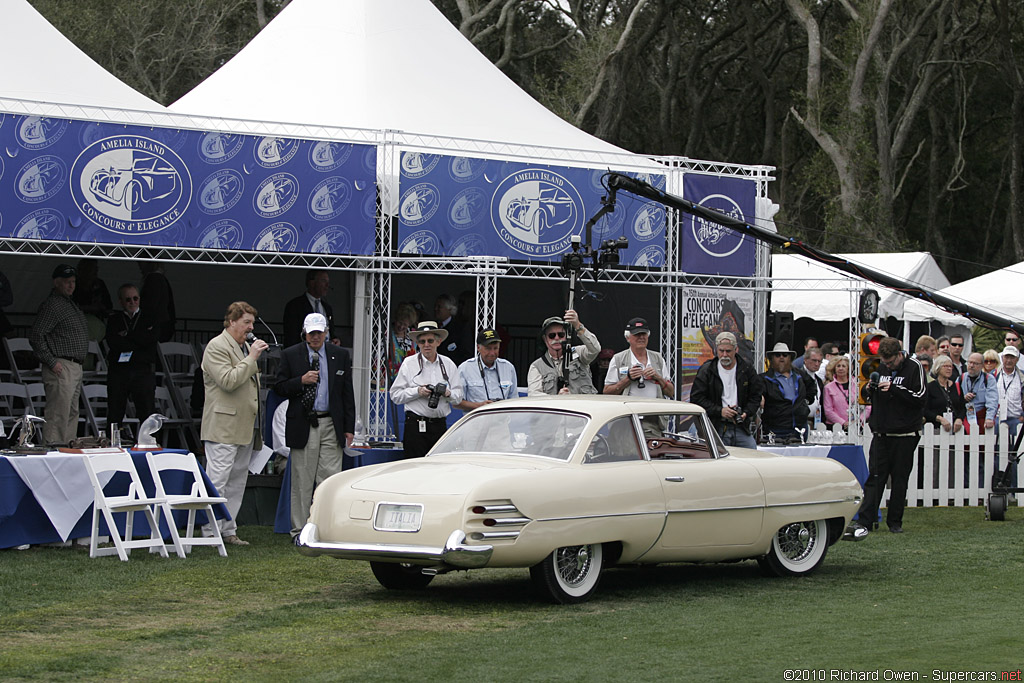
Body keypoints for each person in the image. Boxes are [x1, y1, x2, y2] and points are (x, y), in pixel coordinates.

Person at [273, 313, 355, 538]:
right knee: (302, 478)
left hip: (331, 422)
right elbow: (278, 387)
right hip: (304, 421)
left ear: (326, 332)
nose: (316, 337)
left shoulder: (339, 355)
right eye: (312, 333)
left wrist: (349, 427)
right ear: (305, 333)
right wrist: (301, 381)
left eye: (319, 332)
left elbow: (347, 392)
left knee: (329, 478)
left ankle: (326, 528)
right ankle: (299, 530)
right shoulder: (291, 355)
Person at [200, 301, 269, 546]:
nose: (250, 328)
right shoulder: (216, 347)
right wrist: (251, 358)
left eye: (252, 323)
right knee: (218, 480)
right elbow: (228, 381)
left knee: (237, 481)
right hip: (222, 426)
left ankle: (229, 530)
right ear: (231, 322)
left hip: (245, 426)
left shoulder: (244, 347)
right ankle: (209, 531)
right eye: (246, 323)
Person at [853, 337, 926, 535]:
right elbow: (870, 398)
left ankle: (895, 522)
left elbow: (920, 398)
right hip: (882, 432)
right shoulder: (881, 368)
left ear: (899, 354)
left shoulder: (914, 367)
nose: (887, 365)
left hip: (905, 433)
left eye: (891, 361)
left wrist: (894, 388)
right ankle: (865, 520)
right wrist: (870, 390)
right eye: (884, 362)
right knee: (875, 478)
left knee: (899, 479)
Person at [29, 264, 89, 445]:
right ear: (56, 283)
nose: (71, 286)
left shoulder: (68, 303)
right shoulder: (53, 305)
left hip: (74, 365)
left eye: (73, 282)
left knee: (71, 412)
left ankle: (67, 447)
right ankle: (54, 448)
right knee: (58, 412)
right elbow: (36, 335)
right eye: (66, 282)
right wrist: (51, 361)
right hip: (61, 365)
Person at [390, 321, 463, 458]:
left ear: (438, 342)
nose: (426, 345)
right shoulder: (409, 363)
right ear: (417, 343)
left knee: (438, 469)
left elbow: (458, 396)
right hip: (415, 425)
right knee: (414, 468)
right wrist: (417, 391)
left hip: (439, 425)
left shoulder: (448, 364)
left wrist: (447, 393)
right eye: (422, 341)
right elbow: (395, 395)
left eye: (430, 340)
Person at [690, 331, 763, 448]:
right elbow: (696, 398)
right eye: (721, 351)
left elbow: (756, 395)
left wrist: (746, 412)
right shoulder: (707, 370)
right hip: (716, 426)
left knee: (752, 454)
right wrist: (720, 411)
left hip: (740, 425)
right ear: (716, 350)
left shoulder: (746, 368)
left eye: (728, 351)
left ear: (736, 350)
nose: (724, 355)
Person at [104, 283, 157, 431]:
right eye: (128, 300)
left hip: (142, 370)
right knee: (115, 411)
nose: (132, 302)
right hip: (119, 371)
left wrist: (127, 336)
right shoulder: (114, 319)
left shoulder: (149, 317)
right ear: (121, 301)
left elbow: (150, 340)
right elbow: (114, 343)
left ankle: (149, 443)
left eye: (135, 298)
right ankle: (112, 442)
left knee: (146, 411)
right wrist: (138, 339)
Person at [527, 310, 600, 395]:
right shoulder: (536, 366)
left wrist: (578, 325)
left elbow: (595, 349)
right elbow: (533, 394)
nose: (557, 338)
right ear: (544, 339)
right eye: (552, 336)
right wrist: (557, 398)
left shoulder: (578, 353)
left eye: (561, 335)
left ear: (566, 336)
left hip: (582, 406)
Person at [603, 317, 674, 399]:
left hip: (654, 408)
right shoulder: (618, 359)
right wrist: (628, 379)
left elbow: (671, 392)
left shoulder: (658, 358)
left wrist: (658, 378)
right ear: (627, 338)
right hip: (629, 409)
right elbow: (607, 392)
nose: (641, 337)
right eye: (637, 334)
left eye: (644, 334)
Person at [456, 328, 518, 411]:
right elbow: (456, 403)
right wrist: (479, 406)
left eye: (495, 348)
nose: (492, 353)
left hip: (502, 420)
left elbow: (514, 400)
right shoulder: (465, 368)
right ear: (478, 347)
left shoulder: (508, 367)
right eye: (488, 348)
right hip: (477, 421)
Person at [759, 342, 810, 442]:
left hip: (799, 428)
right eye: (777, 355)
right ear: (772, 358)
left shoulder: (800, 375)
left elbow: (812, 388)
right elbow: (756, 394)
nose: (781, 357)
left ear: (790, 358)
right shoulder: (763, 378)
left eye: (785, 355)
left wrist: (804, 403)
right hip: (776, 428)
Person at [283, 270, 336, 347]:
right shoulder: (295, 306)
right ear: (312, 283)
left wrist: (335, 339)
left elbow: (331, 332)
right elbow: (291, 335)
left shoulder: (327, 308)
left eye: (328, 282)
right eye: (323, 281)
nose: (327, 285)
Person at [822, 356, 867, 429]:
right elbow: (828, 410)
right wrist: (843, 423)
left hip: (858, 425)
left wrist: (859, 420)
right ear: (834, 369)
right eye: (838, 366)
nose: (841, 368)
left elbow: (867, 406)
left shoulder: (858, 385)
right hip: (837, 427)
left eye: (844, 366)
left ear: (848, 368)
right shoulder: (828, 388)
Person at [924, 355, 965, 434]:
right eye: (945, 366)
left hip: (955, 430)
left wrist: (959, 419)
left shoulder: (956, 386)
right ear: (938, 368)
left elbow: (962, 407)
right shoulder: (930, 387)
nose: (949, 369)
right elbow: (925, 410)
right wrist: (940, 419)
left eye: (950, 366)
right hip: (936, 429)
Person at [957, 352, 997, 435]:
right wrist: (963, 398)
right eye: (970, 362)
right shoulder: (961, 378)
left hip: (981, 416)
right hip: (965, 416)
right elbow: (955, 397)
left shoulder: (988, 379)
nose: (971, 366)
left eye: (975, 363)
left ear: (982, 365)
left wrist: (989, 418)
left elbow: (992, 400)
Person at [138, 261, 176, 344]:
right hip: (162, 325)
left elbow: (150, 305)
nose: (140, 267)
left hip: (155, 327)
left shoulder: (154, 279)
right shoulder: (161, 279)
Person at [433, 293, 468, 364]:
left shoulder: (461, 328)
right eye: (435, 306)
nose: (436, 309)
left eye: (439, 307)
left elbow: (466, 353)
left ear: (450, 309)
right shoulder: (433, 326)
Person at [798, 346, 825, 430]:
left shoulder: (819, 381)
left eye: (819, 361)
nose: (817, 364)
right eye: (814, 360)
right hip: (801, 421)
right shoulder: (797, 377)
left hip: (816, 421)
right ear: (805, 360)